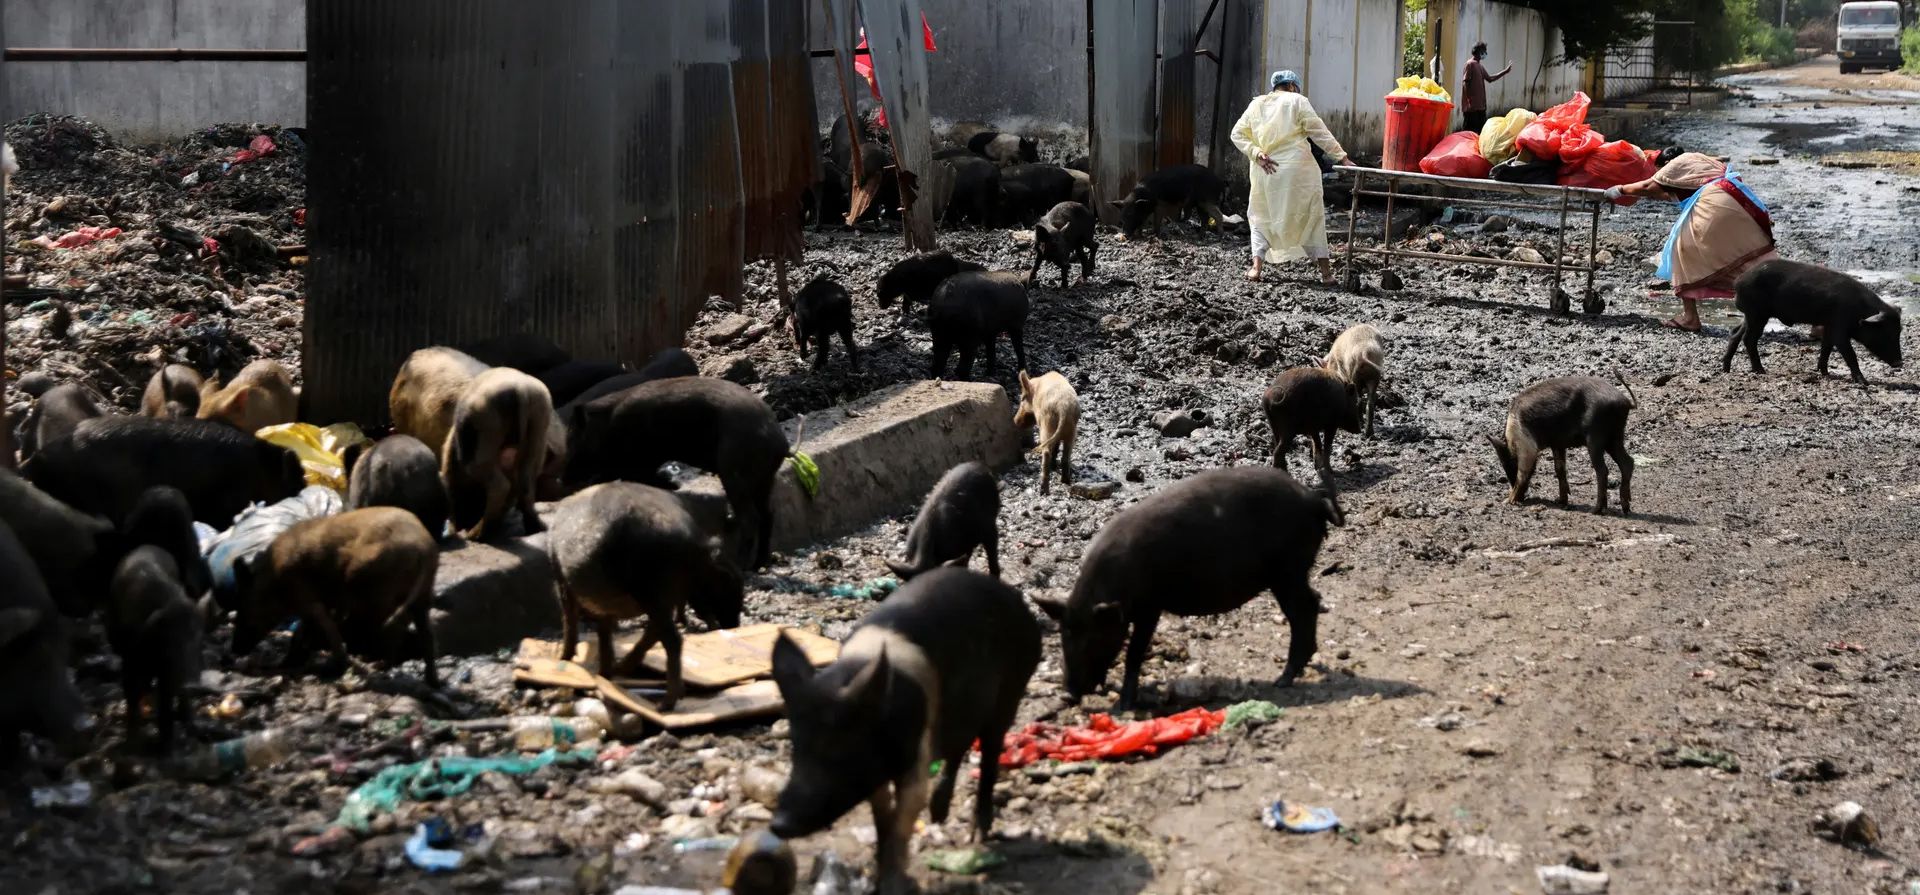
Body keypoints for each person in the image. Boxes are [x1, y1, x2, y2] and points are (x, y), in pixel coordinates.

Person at [1606, 152, 1777, 332]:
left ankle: (1690, 317)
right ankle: (1801, 303)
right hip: (1737, 204)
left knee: (1683, 251)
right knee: (1748, 258)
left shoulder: (1677, 164)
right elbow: (1666, 193)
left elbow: (1649, 186)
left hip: (1716, 205)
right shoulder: (1700, 161)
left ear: (1667, 164)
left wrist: (1618, 190)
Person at [1231, 70, 1349, 284]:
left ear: (1275, 86)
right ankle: (1326, 274)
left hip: (1266, 170)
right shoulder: (1297, 101)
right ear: (1293, 86)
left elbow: (1236, 134)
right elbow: (1318, 131)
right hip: (1299, 172)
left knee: (1261, 215)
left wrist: (1256, 153)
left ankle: (1256, 269)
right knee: (1311, 217)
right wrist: (1342, 157)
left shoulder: (1256, 105)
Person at [1460, 42, 1512, 135]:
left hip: (1481, 107)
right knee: (1469, 133)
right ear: (1479, 51)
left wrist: (1505, 71)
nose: (1485, 53)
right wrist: (1469, 101)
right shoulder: (1470, 64)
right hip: (1472, 109)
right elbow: (1465, 83)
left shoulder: (1479, 66)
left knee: (1480, 134)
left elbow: (1490, 78)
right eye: (1484, 51)